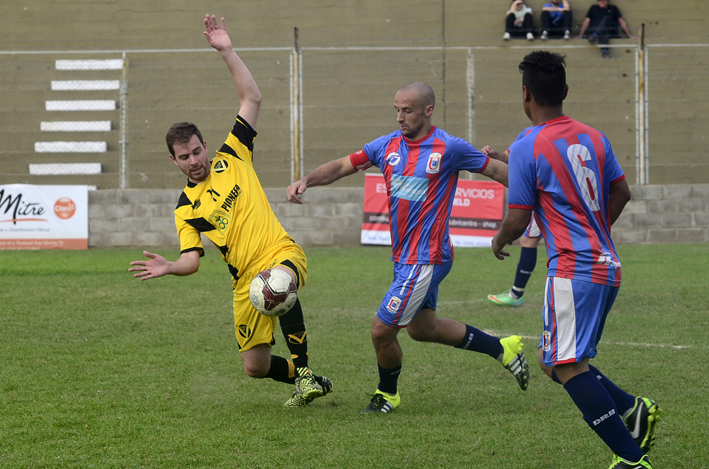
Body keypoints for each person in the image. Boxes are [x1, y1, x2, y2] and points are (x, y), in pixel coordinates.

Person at [287, 81, 530, 414]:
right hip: (405, 258)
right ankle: (503, 348)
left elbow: (500, 172)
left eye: (408, 110)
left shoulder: (450, 148)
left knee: (380, 331)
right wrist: (307, 180)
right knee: (422, 328)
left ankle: (387, 394)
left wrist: (540, 199)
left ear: (428, 111)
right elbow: (343, 165)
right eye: (397, 110)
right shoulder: (385, 146)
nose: (400, 117)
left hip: (426, 258)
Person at [128, 14, 332, 408]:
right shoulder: (186, 208)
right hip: (243, 281)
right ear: (174, 161)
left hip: (278, 253)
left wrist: (228, 52)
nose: (194, 161)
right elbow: (193, 259)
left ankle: (303, 372)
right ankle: (312, 380)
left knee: (279, 286)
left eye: (197, 151)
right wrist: (170, 267)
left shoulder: (233, 155)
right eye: (184, 157)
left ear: (206, 145)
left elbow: (251, 99)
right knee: (254, 366)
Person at [491, 51, 661, 468]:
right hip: (606, 265)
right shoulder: (594, 136)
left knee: (566, 365)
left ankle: (631, 459)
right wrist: (596, 230)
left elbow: (517, 218)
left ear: (525, 94)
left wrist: (499, 239)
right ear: (565, 91)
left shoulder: (528, 144)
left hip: (572, 268)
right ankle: (632, 408)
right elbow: (621, 193)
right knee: (554, 362)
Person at [482, 127, 541, 307]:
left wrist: (499, 240)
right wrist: (494, 154)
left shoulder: (539, 134)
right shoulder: (526, 133)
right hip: (544, 198)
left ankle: (516, 295)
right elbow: (507, 157)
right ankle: (516, 294)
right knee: (529, 240)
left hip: (549, 198)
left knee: (532, 241)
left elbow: (516, 220)